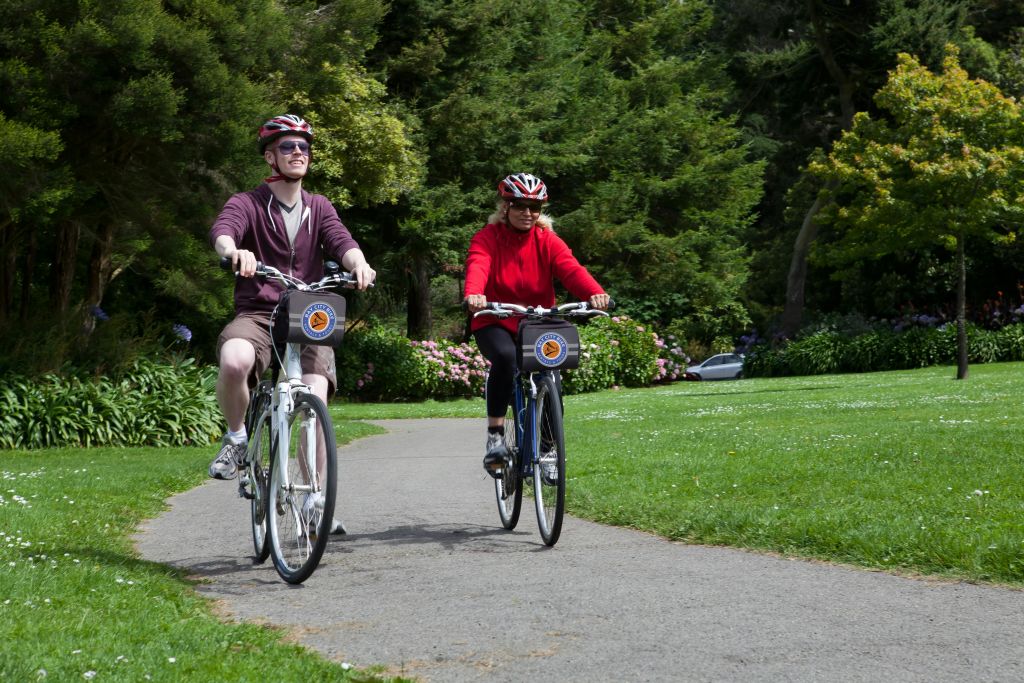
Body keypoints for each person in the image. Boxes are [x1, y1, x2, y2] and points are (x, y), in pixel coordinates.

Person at [208, 114, 376, 533]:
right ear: (270, 157)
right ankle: (236, 439)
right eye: (288, 146)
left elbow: (342, 241)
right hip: (260, 311)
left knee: (314, 400)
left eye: (303, 147)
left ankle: (314, 499)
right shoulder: (248, 203)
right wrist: (234, 252)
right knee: (234, 360)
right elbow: (224, 231)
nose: (298, 152)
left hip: (308, 312)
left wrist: (359, 263)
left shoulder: (319, 207)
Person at [463, 172, 610, 478]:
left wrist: (595, 293)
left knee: (551, 375)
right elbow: (479, 264)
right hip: (495, 318)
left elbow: (571, 269)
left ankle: (547, 449)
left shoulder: (547, 240)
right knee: (505, 358)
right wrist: (475, 293)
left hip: (539, 319)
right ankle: (495, 436)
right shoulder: (487, 237)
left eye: (534, 207)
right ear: (505, 207)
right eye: (520, 205)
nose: (527, 213)